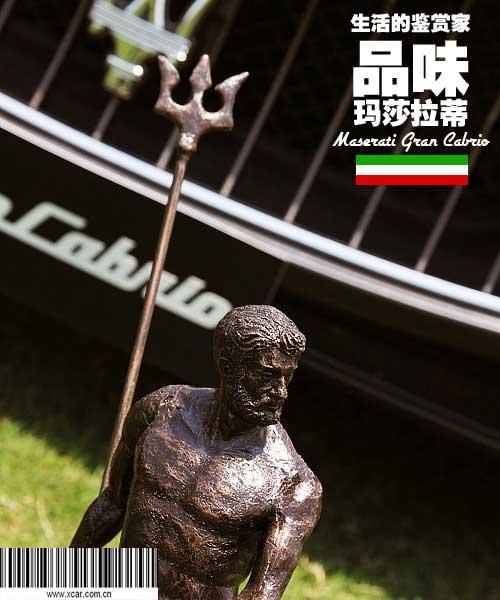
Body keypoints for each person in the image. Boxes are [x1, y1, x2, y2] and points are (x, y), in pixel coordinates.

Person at [71, 305, 322, 600]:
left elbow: (261, 594)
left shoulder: (293, 485)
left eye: (287, 376)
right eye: (267, 375)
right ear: (228, 366)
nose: (281, 391)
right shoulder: (160, 410)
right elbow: (112, 503)